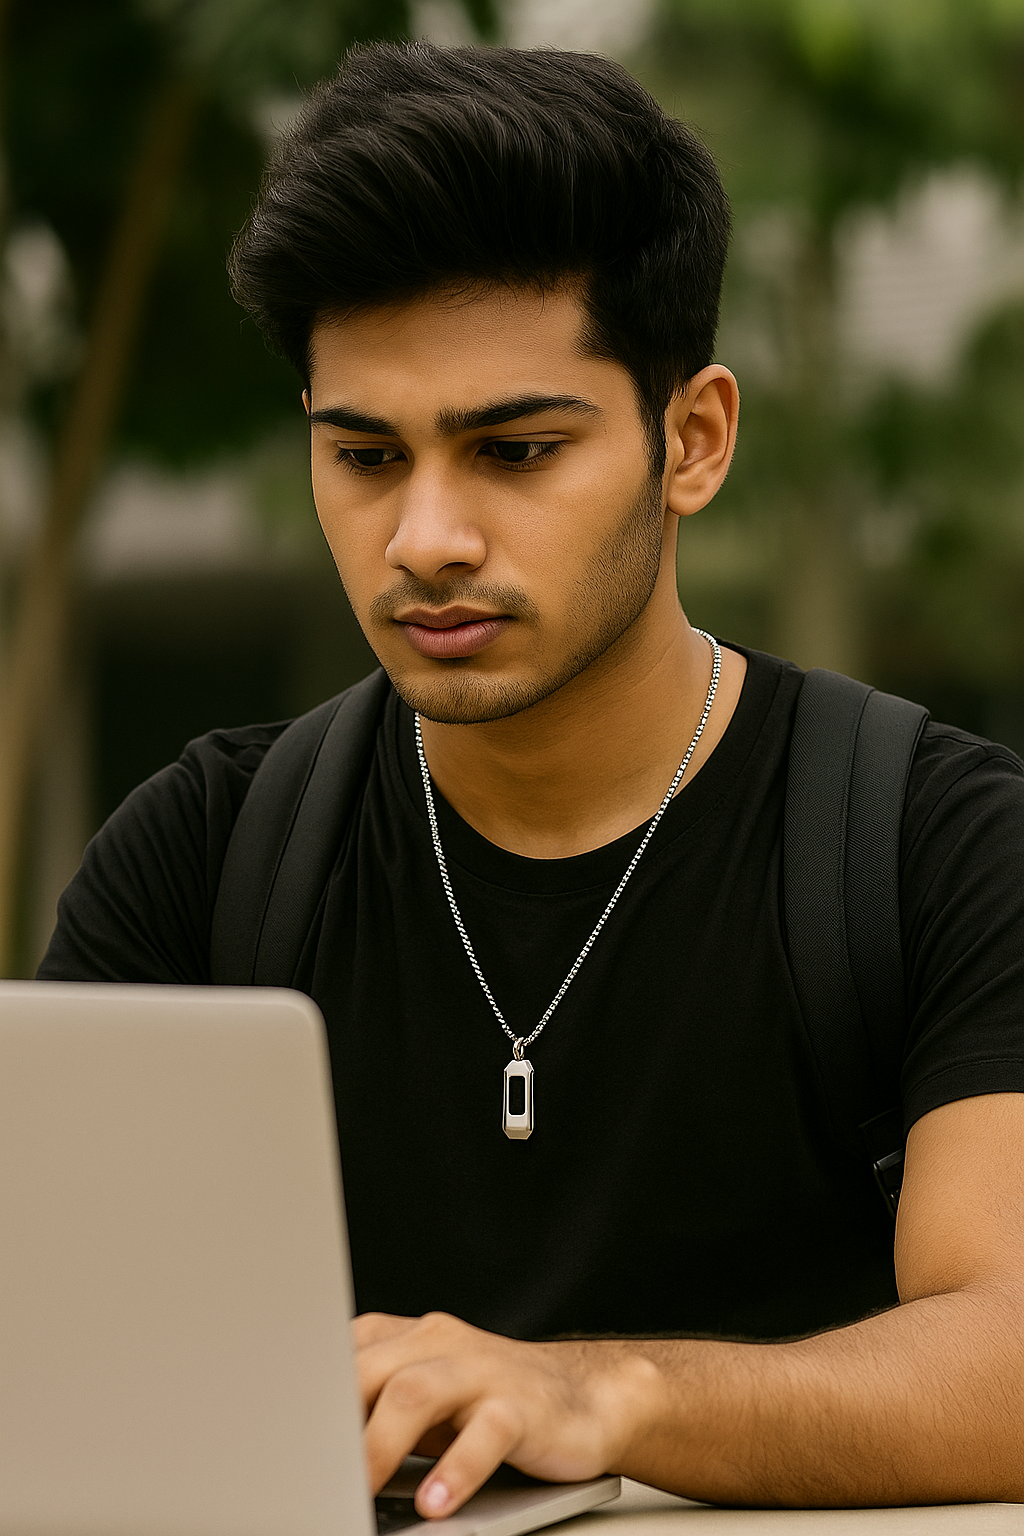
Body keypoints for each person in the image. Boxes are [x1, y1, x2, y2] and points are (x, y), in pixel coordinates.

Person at [40, 42, 1024, 1518]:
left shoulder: (930, 844)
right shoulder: (207, 851)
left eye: (513, 449)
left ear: (691, 441)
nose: (426, 535)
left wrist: (604, 1392)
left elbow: (1008, 1351)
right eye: (364, 454)